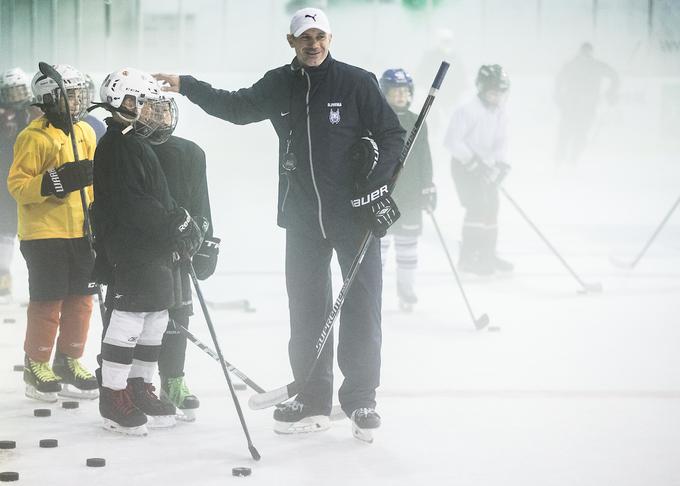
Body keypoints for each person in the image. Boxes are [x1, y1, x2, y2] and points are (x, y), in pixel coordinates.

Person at [155, 7, 405, 440]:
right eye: (304, 37)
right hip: (303, 216)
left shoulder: (356, 82)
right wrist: (188, 86)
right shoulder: (279, 84)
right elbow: (235, 108)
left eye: (320, 36)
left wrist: (376, 185)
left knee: (362, 306)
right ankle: (311, 396)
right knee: (306, 308)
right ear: (291, 42)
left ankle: (361, 399)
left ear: (330, 38)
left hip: (354, 214)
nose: (313, 44)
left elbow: (392, 135)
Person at [92, 67, 204, 435]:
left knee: (156, 315)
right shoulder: (117, 144)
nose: (150, 111)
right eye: (143, 103)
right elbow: (133, 203)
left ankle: (140, 386)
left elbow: (157, 195)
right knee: (129, 318)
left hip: (153, 246)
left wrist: (180, 219)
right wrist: (173, 222)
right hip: (132, 247)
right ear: (122, 102)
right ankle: (113, 394)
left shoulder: (133, 140)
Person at [7, 64, 99, 402]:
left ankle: (69, 360)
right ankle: (37, 364)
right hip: (44, 235)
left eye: (79, 95)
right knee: (48, 302)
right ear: (50, 99)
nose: (78, 102)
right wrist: (56, 180)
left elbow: (92, 184)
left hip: (81, 232)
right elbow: (17, 186)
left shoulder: (86, 133)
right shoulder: (33, 136)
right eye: (71, 96)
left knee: (82, 300)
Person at [147, 97, 220, 422]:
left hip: (180, 249)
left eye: (165, 110)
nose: (160, 117)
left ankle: (173, 381)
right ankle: (139, 383)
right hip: (143, 251)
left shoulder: (191, 152)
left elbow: (201, 204)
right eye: (153, 110)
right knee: (142, 319)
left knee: (179, 314)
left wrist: (201, 241)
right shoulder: (131, 149)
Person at [444, 64, 513, 276]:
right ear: (482, 88)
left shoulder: (500, 112)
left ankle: (488, 254)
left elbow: (501, 142)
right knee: (477, 206)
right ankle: (468, 257)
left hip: (486, 165)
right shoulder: (467, 110)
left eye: (500, 92)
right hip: (464, 166)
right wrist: (472, 162)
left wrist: (501, 164)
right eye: (493, 92)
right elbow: (452, 141)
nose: (497, 96)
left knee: (492, 206)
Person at [378, 68, 435, 312]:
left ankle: (406, 288)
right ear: (384, 94)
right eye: (394, 92)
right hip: (384, 196)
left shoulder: (417, 121)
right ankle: (373, 291)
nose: (400, 96)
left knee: (408, 247)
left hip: (411, 196)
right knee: (378, 250)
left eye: (404, 91)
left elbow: (424, 157)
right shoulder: (377, 119)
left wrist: (428, 187)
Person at [0, 67, 41, 303]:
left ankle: (36, 289)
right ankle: (4, 288)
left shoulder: (36, 112)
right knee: (4, 238)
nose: (16, 96)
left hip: (31, 182)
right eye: (11, 91)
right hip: (5, 184)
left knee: (35, 240)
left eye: (20, 90)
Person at [554, 42, 619, 165]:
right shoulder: (586, 65)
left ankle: (568, 162)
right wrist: (611, 93)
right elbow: (558, 81)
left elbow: (614, 76)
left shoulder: (575, 65)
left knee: (574, 134)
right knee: (571, 134)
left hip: (579, 107)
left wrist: (611, 93)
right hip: (576, 107)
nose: (586, 56)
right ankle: (564, 162)